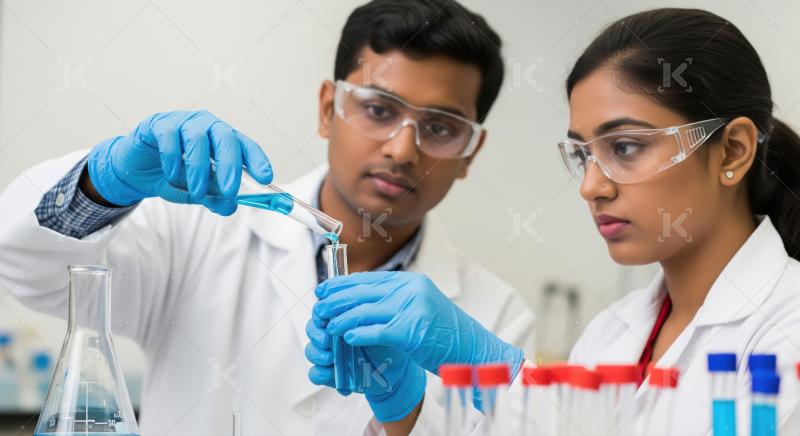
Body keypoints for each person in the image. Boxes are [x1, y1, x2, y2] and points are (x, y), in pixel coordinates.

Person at [0, 1, 535, 434]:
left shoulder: (497, 318)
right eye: (378, 109)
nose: (402, 149)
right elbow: (27, 267)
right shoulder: (197, 233)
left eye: (441, 128)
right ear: (329, 109)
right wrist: (103, 182)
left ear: (471, 152)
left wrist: (409, 415)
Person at [313, 8, 800, 435]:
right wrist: (407, 406)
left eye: (625, 147)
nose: (592, 186)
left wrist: (501, 377)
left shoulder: (787, 325)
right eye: (583, 155)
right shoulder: (612, 333)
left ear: (732, 150)